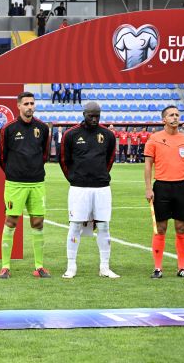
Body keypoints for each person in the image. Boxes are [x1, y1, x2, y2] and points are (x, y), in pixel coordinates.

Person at [59, 102, 119, 279]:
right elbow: (64, 160)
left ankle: (104, 267)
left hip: (101, 187)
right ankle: (71, 266)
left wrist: (100, 175)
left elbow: (109, 159)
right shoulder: (71, 134)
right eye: (91, 115)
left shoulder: (107, 135)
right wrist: (74, 178)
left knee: (103, 225)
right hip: (79, 188)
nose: (94, 119)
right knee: (75, 225)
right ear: (84, 114)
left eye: (97, 116)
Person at [0, 92, 51, 279]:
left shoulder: (42, 128)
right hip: (15, 183)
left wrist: (33, 169)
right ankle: (5, 267)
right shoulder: (8, 129)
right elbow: (2, 156)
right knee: (11, 221)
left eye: (32, 103)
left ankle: (39, 266)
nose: (29, 106)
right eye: (26, 103)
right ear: (18, 106)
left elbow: (44, 155)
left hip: (37, 183)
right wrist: (14, 171)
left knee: (38, 222)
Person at [144, 105, 184, 278]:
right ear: (163, 119)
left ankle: (182, 268)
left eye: (177, 115)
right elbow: (148, 165)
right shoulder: (154, 139)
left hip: (182, 187)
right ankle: (157, 268)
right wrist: (149, 188)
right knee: (161, 227)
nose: (175, 117)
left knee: (181, 227)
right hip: (162, 187)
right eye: (171, 115)